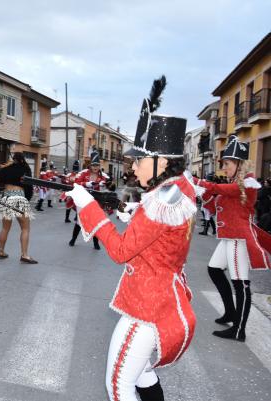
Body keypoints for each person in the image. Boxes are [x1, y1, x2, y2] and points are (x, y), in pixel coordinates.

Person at [67, 85, 197, 400]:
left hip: (148, 306)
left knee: (118, 385)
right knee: (142, 376)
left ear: (162, 162)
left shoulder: (164, 196)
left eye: (140, 160)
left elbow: (122, 251)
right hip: (163, 298)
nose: (133, 166)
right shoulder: (175, 189)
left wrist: (88, 207)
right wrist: (134, 212)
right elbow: (161, 234)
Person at [195, 135, 271, 342]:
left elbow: (221, 189)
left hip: (239, 239)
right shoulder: (232, 184)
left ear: (239, 164)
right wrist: (203, 193)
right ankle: (230, 312)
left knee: (241, 283)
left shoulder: (248, 183)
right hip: (228, 238)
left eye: (227, 164)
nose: (224, 168)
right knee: (214, 270)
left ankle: (239, 330)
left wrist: (197, 182)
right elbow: (213, 204)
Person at [0, 152, 37, 263]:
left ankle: (1, 252)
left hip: (6, 198)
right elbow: (29, 187)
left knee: (5, 228)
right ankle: (24, 255)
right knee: (25, 228)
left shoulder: (5, 169)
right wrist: (27, 199)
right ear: (22, 159)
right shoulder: (25, 169)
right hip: (19, 198)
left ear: (13, 159)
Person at [69, 150, 110, 250]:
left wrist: (104, 184)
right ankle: (73, 239)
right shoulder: (83, 173)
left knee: (95, 222)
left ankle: (96, 243)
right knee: (80, 221)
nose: (95, 167)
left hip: (96, 201)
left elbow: (109, 184)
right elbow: (75, 183)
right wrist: (86, 184)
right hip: (83, 200)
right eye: (93, 165)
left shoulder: (103, 176)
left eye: (97, 165)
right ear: (90, 165)